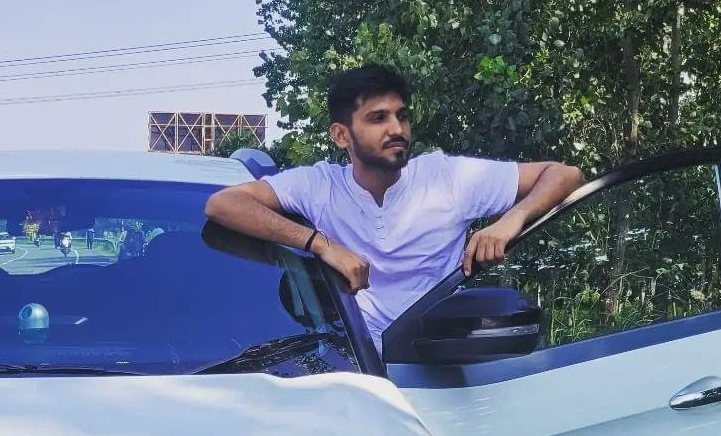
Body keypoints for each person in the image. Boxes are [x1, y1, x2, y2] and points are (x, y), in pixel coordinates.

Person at [204, 63, 584, 348]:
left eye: (402, 116)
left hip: (436, 365)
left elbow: (565, 175)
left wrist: (511, 220)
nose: (397, 129)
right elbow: (224, 204)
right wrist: (321, 244)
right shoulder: (320, 186)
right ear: (341, 135)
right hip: (347, 368)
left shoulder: (445, 179)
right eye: (378, 118)